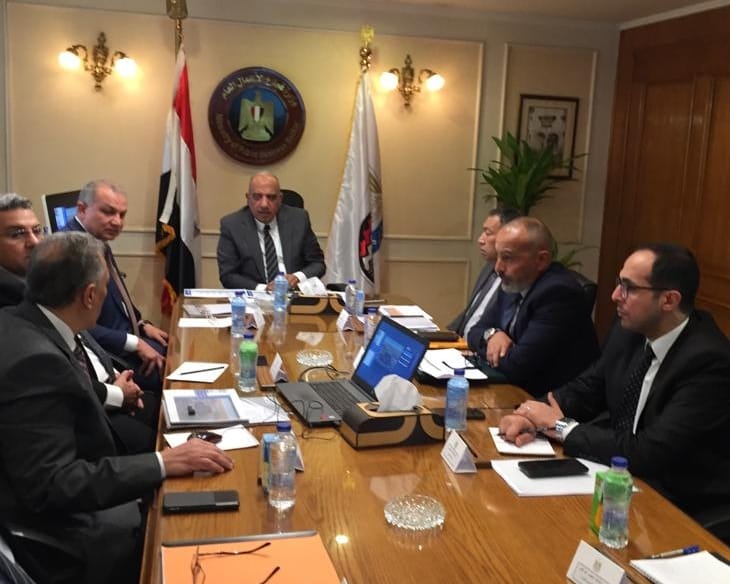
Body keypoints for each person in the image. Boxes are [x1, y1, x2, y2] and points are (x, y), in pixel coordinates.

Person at [0, 232, 234, 584]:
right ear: (89, 295)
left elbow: (68, 395)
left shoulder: (26, 319)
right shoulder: (36, 360)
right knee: (199, 539)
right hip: (64, 534)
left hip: (71, 490)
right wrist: (162, 462)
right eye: (107, 286)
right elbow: (54, 484)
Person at [499, 243, 730, 521]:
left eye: (628, 288)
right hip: (619, 479)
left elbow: (650, 451)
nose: (615, 295)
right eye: (619, 283)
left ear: (669, 300)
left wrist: (560, 426)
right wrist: (530, 415)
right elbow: (587, 388)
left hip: (680, 502)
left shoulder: (709, 362)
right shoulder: (629, 331)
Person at [0, 194, 155, 453]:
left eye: (37, 230)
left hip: (106, 383)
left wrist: (115, 375)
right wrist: (116, 394)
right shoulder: (12, 299)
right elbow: (48, 375)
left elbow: (78, 334)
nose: (34, 242)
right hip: (78, 421)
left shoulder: (34, 276)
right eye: (17, 234)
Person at [467, 217, 598, 396]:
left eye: (507, 258)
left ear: (542, 260)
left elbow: (517, 367)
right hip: (512, 390)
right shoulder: (515, 281)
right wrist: (492, 335)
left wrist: (492, 349)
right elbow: (474, 332)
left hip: (548, 400)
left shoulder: (558, 293)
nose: (498, 268)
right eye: (497, 257)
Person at [64, 180, 167, 390]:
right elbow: (74, 324)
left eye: (122, 215)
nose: (117, 222)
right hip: (106, 353)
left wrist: (142, 325)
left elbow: (117, 299)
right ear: (82, 209)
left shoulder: (96, 241)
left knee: (174, 347)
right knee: (169, 368)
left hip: (126, 337)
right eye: (108, 212)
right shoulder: (71, 251)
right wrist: (135, 343)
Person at [217, 171, 325, 291]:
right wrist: (264, 289)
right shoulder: (232, 225)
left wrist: (297, 277)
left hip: (294, 294)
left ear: (280, 199)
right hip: (256, 296)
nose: (264, 204)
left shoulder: (299, 219)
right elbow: (228, 275)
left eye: (271, 197)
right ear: (248, 198)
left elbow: (318, 264)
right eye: (257, 197)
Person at [447, 207, 520, 338]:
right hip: (460, 343)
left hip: (481, 347)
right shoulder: (489, 266)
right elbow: (469, 314)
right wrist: (443, 335)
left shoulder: (517, 279)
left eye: (488, 233)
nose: (480, 240)